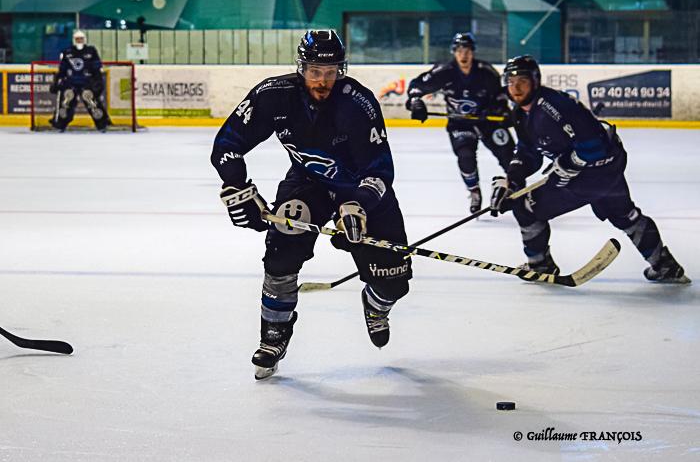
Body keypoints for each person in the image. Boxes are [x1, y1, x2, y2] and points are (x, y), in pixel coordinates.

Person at [211, 30, 413, 380]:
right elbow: (227, 145)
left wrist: (359, 204)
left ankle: (376, 304)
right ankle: (273, 336)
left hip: (359, 189)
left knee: (393, 282)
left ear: (341, 70)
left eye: (331, 72)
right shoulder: (274, 95)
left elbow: (379, 169)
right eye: (315, 71)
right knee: (281, 251)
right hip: (309, 183)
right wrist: (238, 187)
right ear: (301, 67)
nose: (323, 80)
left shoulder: (358, 103)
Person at [490, 55, 690, 284]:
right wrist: (512, 182)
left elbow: (594, 143)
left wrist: (569, 164)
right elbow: (528, 153)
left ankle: (541, 266)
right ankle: (665, 266)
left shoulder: (553, 105)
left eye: (522, 81)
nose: (515, 87)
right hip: (608, 170)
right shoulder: (520, 113)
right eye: (511, 81)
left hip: (592, 173)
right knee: (626, 216)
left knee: (526, 208)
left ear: (535, 81)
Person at [405, 32, 515, 213]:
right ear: (454, 52)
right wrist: (415, 101)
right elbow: (417, 86)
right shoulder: (444, 71)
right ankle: (474, 191)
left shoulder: (486, 71)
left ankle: (515, 187)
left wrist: (502, 110)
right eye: (460, 50)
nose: (464, 55)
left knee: (509, 155)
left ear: (473, 52)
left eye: (468, 50)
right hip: (460, 123)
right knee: (465, 156)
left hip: (488, 121)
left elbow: (501, 95)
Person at [49, 30, 110, 132]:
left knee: (92, 102)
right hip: (71, 82)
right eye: (77, 39)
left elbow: (96, 67)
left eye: (81, 39)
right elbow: (62, 69)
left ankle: (102, 124)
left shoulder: (91, 51)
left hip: (87, 82)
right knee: (66, 102)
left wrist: (98, 80)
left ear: (84, 39)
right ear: (74, 40)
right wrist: (57, 81)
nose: (79, 41)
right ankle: (60, 124)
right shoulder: (68, 52)